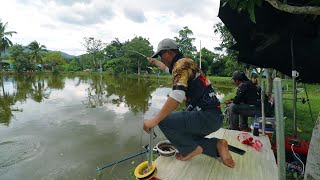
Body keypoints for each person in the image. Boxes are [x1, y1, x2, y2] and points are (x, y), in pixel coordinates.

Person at [143, 38, 235, 168]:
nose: (161, 59)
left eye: (161, 55)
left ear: (168, 52)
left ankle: (191, 149)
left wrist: (155, 120)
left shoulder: (180, 65)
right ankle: (217, 145)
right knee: (185, 136)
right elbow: (166, 69)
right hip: (214, 117)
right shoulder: (185, 63)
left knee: (164, 121)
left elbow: (177, 95)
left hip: (205, 116)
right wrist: (155, 62)